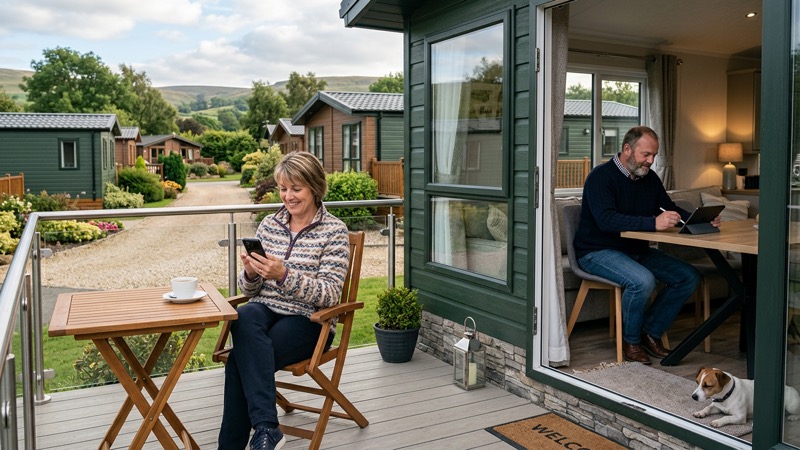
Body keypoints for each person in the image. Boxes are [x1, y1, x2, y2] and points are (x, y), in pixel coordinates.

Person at [218, 151, 350, 450]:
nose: (288, 196)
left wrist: (283, 275)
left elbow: (329, 294)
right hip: (264, 312)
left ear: (315, 188)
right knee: (247, 313)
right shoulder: (268, 224)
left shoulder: (334, 231)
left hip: (308, 321)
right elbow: (250, 291)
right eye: (283, 188)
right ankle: (266, 428)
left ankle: (234, 444)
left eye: (296, 189)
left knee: (240, 360)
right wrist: (251, 273)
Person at [573, 126, 719, 365]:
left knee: (687, 276)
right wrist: (653, 223)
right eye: (646, 155)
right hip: (596, 251)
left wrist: (698, 218)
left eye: (654, 156)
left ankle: (649, 333)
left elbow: (667, 207)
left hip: (635, 250)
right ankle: (632, 342)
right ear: (627, 149)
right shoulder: (600, 177)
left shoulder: (649, 178)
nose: (651, 161)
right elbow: (606, 220)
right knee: (642, 281)